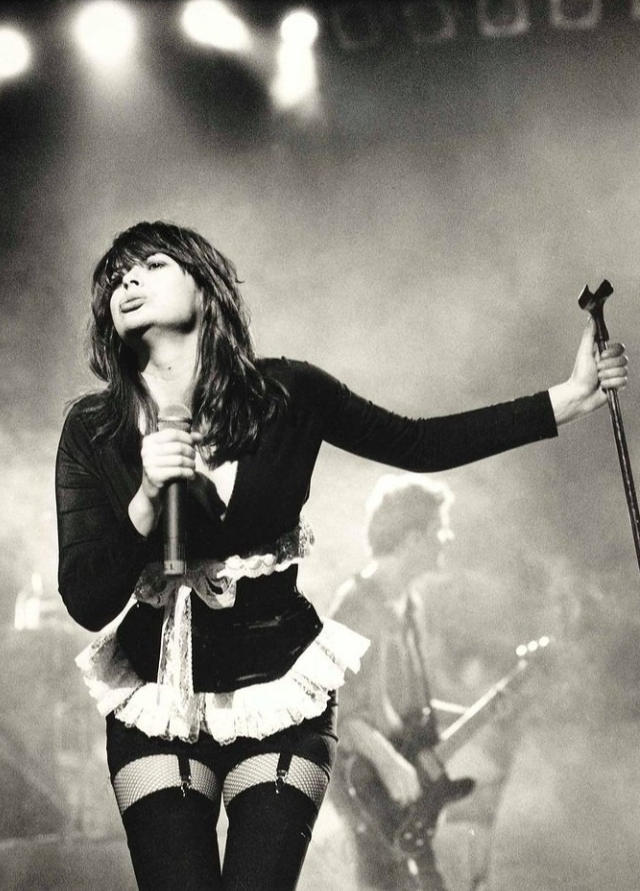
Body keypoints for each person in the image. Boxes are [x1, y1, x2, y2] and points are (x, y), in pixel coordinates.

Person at [55, 220, 627, 891]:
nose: (128, 278)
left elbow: (418, 444)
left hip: (279, 691)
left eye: (151, 264)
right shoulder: (94, 431)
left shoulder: (289, 394)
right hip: (159, 702)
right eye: (117, 273)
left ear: (204, 288)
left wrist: (569, 397)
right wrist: (148, 495)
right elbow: (87, 597)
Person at [328, 475, 526, 890]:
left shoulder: (408, 605)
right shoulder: (357, 605)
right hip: (370, 788)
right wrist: (389, 762)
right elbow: (338, 710)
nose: (447, 539)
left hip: (404, 786)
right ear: (412, 538)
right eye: (440, 529)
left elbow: (408, 711)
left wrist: (483, 711)